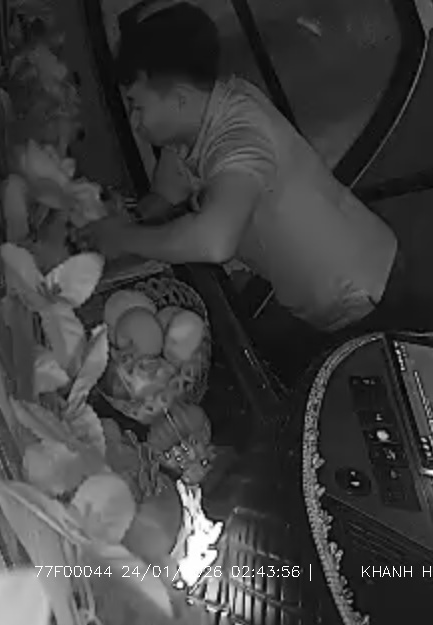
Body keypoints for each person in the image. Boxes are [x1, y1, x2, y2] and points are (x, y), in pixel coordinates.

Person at [89, 3, 405, 382]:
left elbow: (214, 242)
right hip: (320, 302)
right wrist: (125, 219)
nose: (135, 122)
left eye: (137, 106)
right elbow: (163, 198)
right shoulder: (192, 126)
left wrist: (124, 238)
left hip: (367, 294)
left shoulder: (240, 137)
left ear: (180, 99)